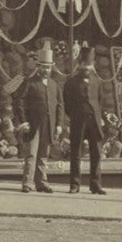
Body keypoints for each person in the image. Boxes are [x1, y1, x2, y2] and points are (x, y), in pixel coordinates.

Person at [17, 41, 62, 193]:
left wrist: (59, 124)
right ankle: (27, 183)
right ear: (38, 66)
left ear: (51, 68)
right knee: (31, 153)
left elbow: (59, 106)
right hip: (33, 124)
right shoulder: (29, 83)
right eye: (43, 66)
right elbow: (20, 102)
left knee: (43, 154)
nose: (45, 70)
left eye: (48, 67)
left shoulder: (54, 85)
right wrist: (23, 121)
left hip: (48, 124)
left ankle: (41, 182)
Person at [64, 44, 106, 195]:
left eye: (90, 64)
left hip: (94, 120)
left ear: (93, 65)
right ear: (80, 64)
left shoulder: (98, 82)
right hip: (78, 120)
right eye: (85, 64)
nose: (87, 67)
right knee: (76, 152)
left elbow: (100, 102)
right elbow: (66, 103)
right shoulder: (71, 82)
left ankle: (95, 184)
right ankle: (75, 185)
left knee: (96, 153)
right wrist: (75, 116)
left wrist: (97, 116)